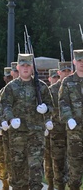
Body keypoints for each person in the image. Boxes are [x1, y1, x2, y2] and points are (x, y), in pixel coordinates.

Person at [0, 53, 53, 190]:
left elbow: (52, 106)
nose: (25, 68)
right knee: (18, 172)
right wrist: (11, 119)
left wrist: (46, 109)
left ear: (32, 68)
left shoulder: (41, 87)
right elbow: (5, 105)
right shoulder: (11, 87)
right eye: (22, 65)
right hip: (17, 135)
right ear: (18, 67)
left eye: (28, 65)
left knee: (35, 171)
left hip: (36, 134)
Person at [58, 49, 83, 190]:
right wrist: (68, 118)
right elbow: (63, 102)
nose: (82, 64)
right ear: (74, 62)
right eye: (79, 61)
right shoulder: (68, 82)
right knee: (75, 168)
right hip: (75, 132)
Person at [47, 62, 71, 190]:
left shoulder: (74, 87)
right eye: (64, 71)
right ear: (59, 73)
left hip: (73, 132)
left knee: (73, 163)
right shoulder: (51, 90)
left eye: (68, 70)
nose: (66, 73)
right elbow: (46, 108)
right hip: (57, 132)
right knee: (58, 163)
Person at [0, 66, 12, 190]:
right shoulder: (0, 93)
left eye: (11, 76)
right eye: (7, 77)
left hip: (18, 132)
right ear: (4, 78)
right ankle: (5, 183)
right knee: (3, 160)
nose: (9, 79)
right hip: (3, 133)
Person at [44, 68, 60, 190]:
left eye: (57, 77)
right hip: (50, 131)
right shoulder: (48, 92)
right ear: (49, 79)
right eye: (53, 77)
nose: (56, 79)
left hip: (63, 130)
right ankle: (50, 183)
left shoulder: (66, 89)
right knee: (49, 159)